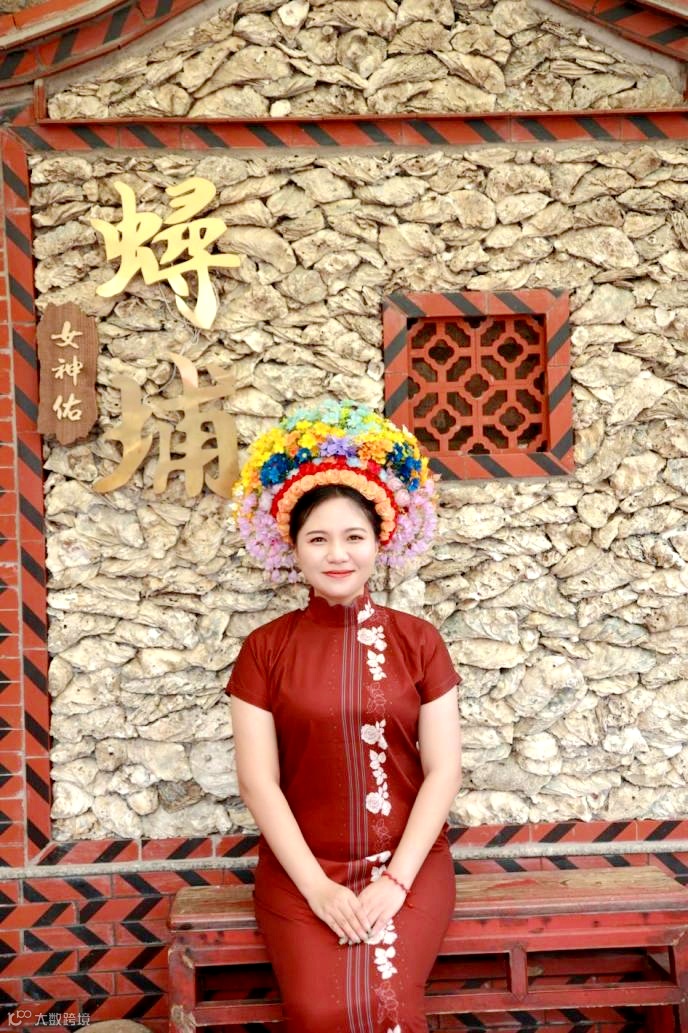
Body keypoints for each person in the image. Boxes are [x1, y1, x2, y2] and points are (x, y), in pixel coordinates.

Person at [228, 401, 462, 1033]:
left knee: (390, 1007)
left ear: (379, 543)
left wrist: (396, 883)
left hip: (409, 863)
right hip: (301, 871)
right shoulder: (264, 650)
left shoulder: (419, 642)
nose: (338, 554)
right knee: (319, 1008)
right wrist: (319, 890)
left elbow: (444, 771)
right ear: (294, 548)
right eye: (318, 539)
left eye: (354, 536)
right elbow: (257, 782)